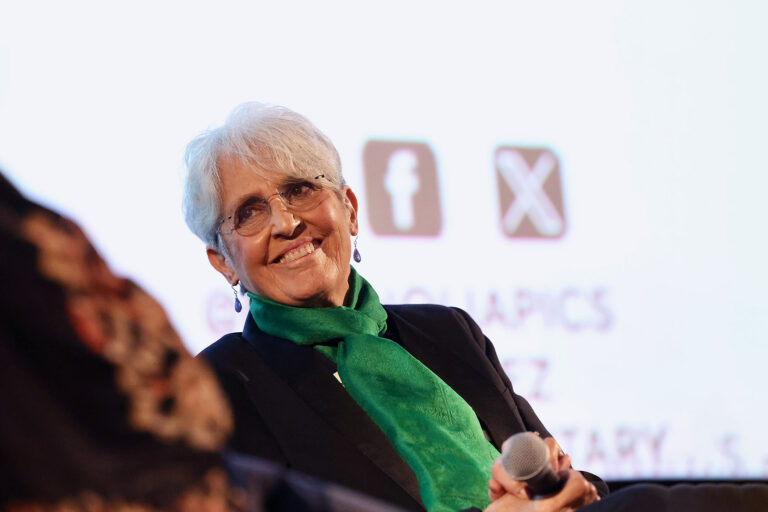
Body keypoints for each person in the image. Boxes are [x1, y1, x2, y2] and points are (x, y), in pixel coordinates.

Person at [181, 102, 605, 512]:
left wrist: (569, 491)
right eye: (249, 213)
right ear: (224, 263)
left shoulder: (449, 331)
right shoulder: (218, 387)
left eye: (299, 190)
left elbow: (555, 473)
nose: (287, 223)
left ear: (350, 209)